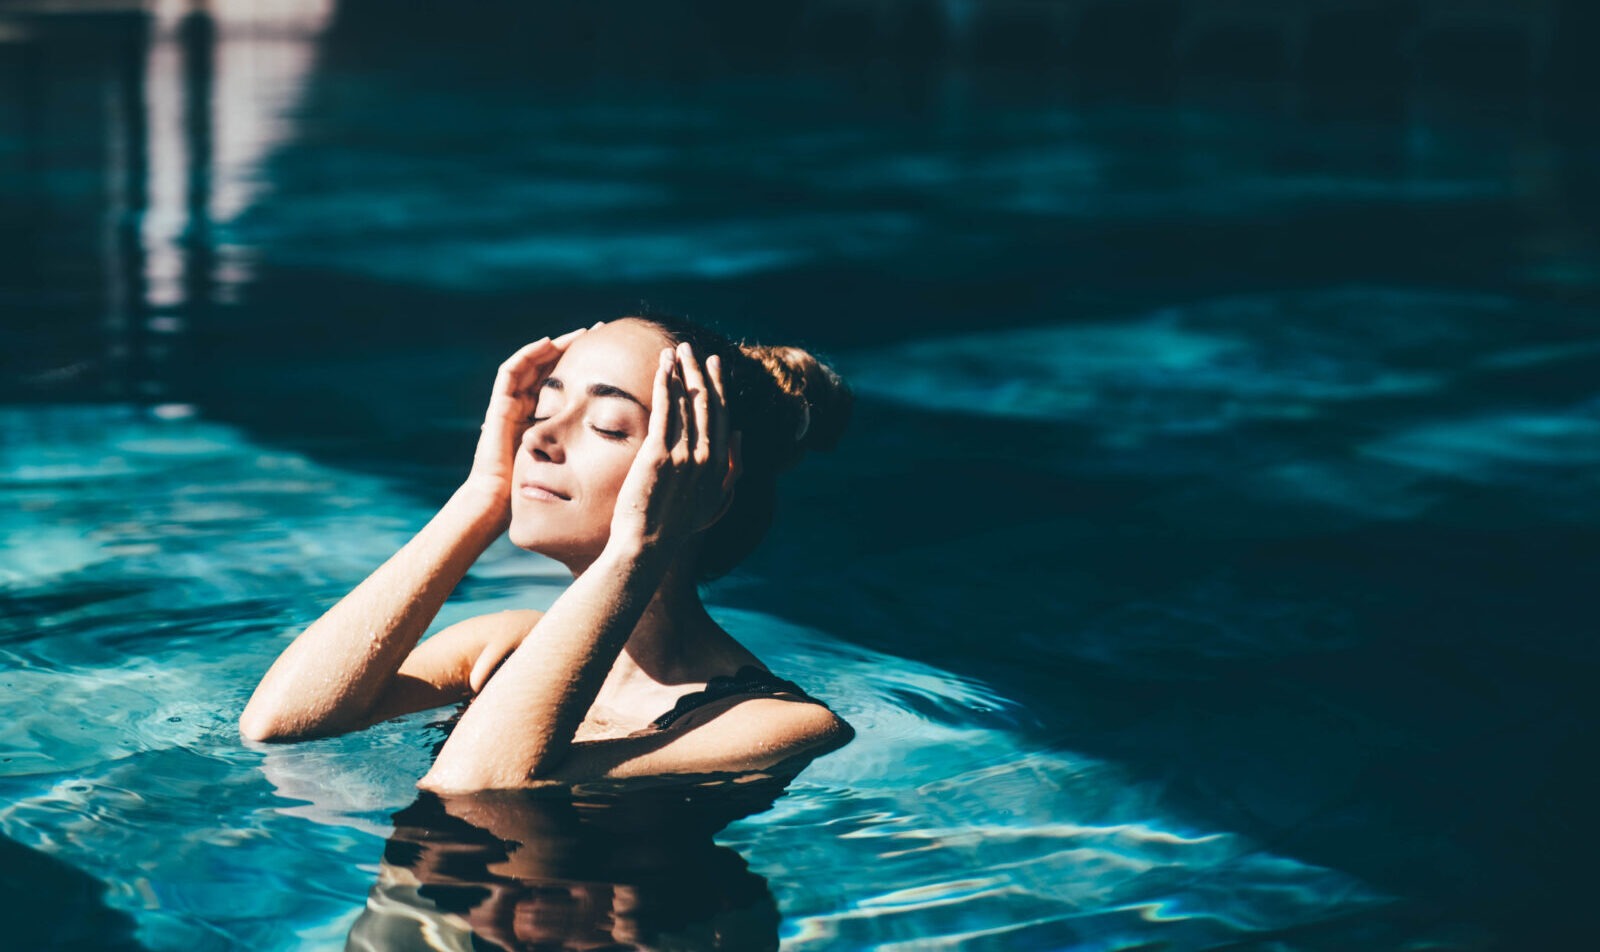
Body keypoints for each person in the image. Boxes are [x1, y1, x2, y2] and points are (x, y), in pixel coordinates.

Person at [240, 315, 855, 793]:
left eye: (610, 426)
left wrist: (638, 549)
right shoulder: (502, 645)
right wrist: (480, 498)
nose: (538, 435)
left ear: (707, 478)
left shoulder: (775, 724)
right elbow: (280, 726)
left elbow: (474, 788)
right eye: (546, 405)